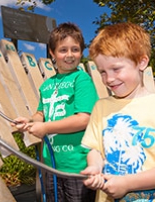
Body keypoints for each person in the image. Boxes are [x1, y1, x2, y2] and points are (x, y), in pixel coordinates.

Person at [11, 22, 99, 202]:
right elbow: (41, 114)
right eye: (63, 50)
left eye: (75, 49)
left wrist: (46, 128)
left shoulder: (81, 79)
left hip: (78, 165)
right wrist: (28, 121)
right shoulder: (47, 85)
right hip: (51, 165)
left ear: (81, 52)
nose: (69, 55)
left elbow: (84, 119)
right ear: (52, 53)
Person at [80, 22, 155, 202]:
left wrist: (127, 183)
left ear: (141, 62)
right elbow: (95, 149)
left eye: (116, 69)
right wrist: (95, 167)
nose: (109, 79)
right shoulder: (101, 108)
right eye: (103, 72)